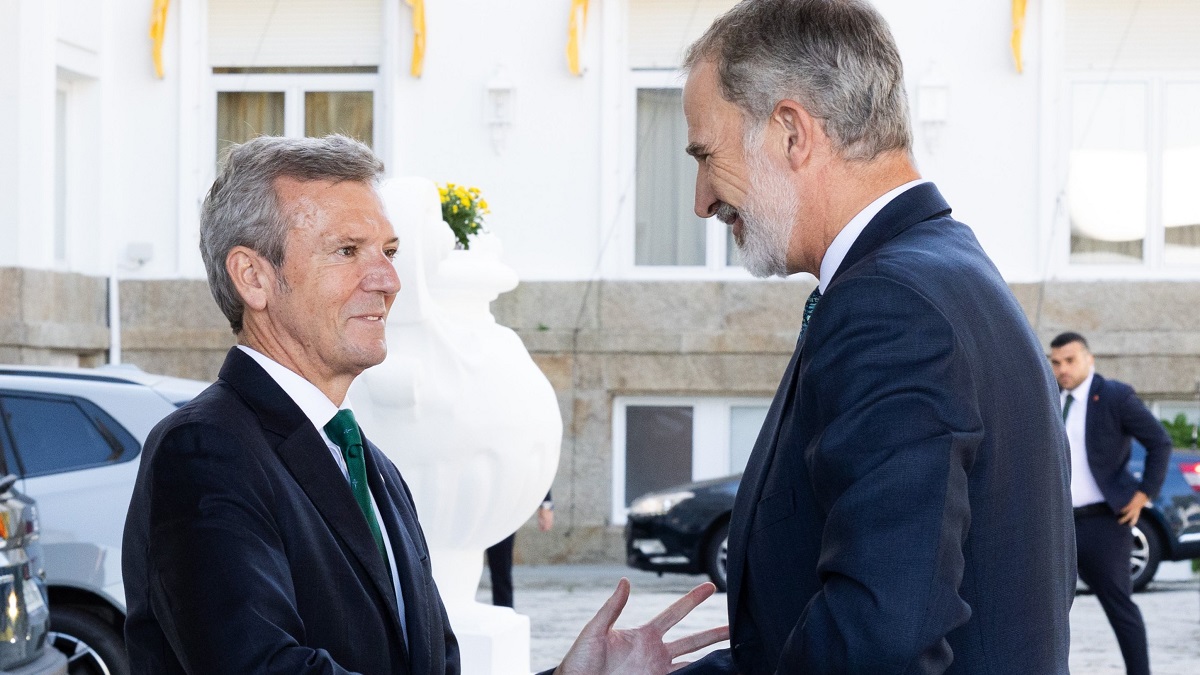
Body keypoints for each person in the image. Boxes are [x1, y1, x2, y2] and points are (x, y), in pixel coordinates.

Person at [122, 134, 727, 674]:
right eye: (347, 250)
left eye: (388, 250)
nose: (388, 280)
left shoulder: (375, 469)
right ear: (253, 278)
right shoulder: (204, 450)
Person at [675, 1, 1075, 673]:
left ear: (792, 132)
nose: (701, 198)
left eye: (707, 155)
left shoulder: (890, 305)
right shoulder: (944, 269)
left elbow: (877, 641)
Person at [1049, 331, 1172, 675]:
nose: (1063, 369)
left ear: (1090, 359)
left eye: (1070, 360)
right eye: (1056, 362)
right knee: (1046, 611)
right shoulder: (1048, 397)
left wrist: (1144, 494)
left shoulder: (1115, 396)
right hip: (1057, 523)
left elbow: (1159, 442)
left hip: (1104, 523)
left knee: (1120, 608)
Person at [486, 492, 554, 607]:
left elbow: (537, 473)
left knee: (501, 568)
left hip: (503, 505)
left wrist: (545, 504)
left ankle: (505, 614)